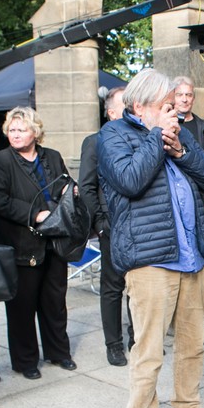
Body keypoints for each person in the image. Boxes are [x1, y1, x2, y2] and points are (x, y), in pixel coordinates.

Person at [98, 69, 204, 408]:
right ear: (140, 106)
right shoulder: (114, 135)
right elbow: (131, 180)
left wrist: (182, 152)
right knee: (149, 350)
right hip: (150, 260)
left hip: (192, 255)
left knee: (192, 343)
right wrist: (157, 139)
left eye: (173, 105)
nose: (173, 112)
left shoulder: (180, 136)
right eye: (165, 106)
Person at [0, 107, 77, 380]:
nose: (15, 135)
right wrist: (34, 213)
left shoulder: (51, 156)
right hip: (21, 242)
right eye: (12, 130)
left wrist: (69, 190)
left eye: (21, 129)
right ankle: (25, 361)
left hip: (54, 241)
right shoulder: (1, 160)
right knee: (22, 306)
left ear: (35, 132)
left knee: (54, 301)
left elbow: (63, 183)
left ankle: (58, 352)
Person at [80, 86, 134, 366]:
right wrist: (101, 223)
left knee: (137, 286)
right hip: (111, 226)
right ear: (112, 112)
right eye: (125, 105)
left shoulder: (139, 136)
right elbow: (87, 187)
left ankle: (136, 337)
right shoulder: (94, 141)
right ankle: (113, 344)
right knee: (112, 287)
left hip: (137, 224)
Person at [170, 75, 204, 325]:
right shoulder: (166, 125)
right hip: (175, 202)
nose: (185, 99)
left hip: (201, 201)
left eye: (188, 95)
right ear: (173, 97)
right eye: (180, 95)